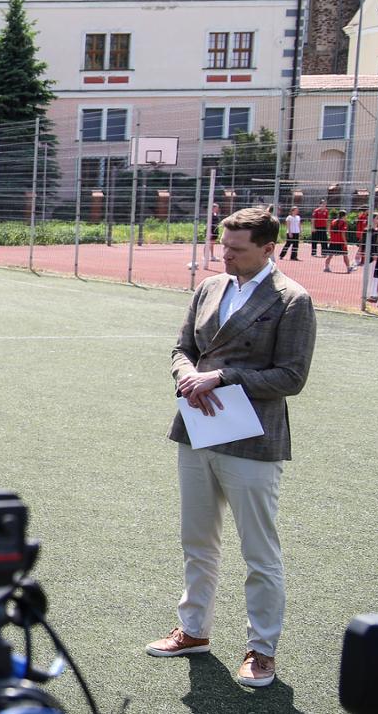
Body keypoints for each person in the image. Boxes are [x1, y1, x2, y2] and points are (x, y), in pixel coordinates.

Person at [148, 207, 317, 690]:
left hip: (253, 438)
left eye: (237, 249)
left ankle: (262, 651)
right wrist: (186, 375)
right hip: (198, 427)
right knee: (196, 540)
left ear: (269, 248)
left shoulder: (292, 299)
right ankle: (194, 631)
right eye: (223, 245)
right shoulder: (210, 287)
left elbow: (292, 376)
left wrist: (223, 375)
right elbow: (182, 347)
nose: (226, 255)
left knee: (259, 551)